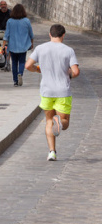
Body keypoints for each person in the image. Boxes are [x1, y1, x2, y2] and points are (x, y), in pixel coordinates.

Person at [25, 24, 79, 161]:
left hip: (46, 91)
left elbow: (27, 65)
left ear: (50, 34)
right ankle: (60, 122)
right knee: (65, 122)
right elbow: (76, 71)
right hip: (62, 91)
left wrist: (38, 69)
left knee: (49, 121)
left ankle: (52, 152)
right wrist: (70, 74)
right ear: (63, 35)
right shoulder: (68, 50)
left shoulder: (40, 48)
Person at [5, 3, 34, 86]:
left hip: (13, 46)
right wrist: (31, 43)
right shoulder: (26, 21)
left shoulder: (9, 21)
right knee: (22, 62)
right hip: (23, 46)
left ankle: (15, 81)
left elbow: (6, 35)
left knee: (14, 63)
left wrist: (4, 45)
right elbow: (31, 34)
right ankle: (20, 73)